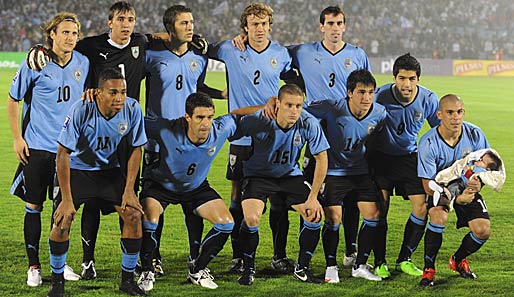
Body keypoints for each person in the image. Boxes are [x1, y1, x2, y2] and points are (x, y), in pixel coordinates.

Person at [207, 3, 295, 274]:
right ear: (245, 28)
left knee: (278, 197)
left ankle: (278, 256)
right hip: (243, 137)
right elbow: (198, 48)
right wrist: (215, 92)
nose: (260, 29)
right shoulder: (229, 49)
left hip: (274, 137)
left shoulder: (280, 54)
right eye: (254, 24)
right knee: (237, 196)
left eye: (264, 24)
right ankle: (238, 256)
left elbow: (295, 85)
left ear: (270, 26)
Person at [142, 5, 226, 278]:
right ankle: (154, 258)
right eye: (183, 23)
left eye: (191, 22)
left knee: (192, 199)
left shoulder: (198, 58)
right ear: (170, 29)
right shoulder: (151, 56)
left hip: (191, 139)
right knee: (157, 201)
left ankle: (194, 256)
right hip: (158, 140)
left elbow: (208, 89)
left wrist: (218, 83)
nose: (190, 27)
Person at [47, 68, 147, 296]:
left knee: (133, 215)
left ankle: (127, 280)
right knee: (63, 220)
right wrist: (66, 199)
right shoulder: (81, 109)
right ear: (98, 93)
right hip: (77, 171)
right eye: (113, 92)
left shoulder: (131, 109)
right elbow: (62, 154)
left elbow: (135, 148)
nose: (119, 97)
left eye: (123, 92)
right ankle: (57, 283)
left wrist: (130, 190)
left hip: (109, 171)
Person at [286, 6, 371, 274]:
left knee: (351, 191)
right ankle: (305, 256)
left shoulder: (357, 55)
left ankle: (350, 249)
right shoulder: (302, 52)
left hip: (347, 133)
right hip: (315, 132)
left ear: (345, 26)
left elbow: (367, 91)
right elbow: (271, 56)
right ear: (321, 26)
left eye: (340, 23)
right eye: (330, 23)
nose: (335, 28)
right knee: (311, 190)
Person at [7, 12, 89, 287]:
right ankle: (33, 266)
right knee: (34, 207)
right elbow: (13, 98)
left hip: (67, 151)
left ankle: (60, 263)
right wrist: (18, 138)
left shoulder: (83, 62)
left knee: (63, 210)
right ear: (52, 34)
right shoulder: (36, 63)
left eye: (74, 33)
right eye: (64, 32)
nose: (70, 38)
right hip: (38, 148)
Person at [233, 84, 329, 285]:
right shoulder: (260, 120)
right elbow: (235, 116)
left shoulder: (308, 123)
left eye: (298, 105)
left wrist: (312, 197)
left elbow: (322, 158)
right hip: (258, 177)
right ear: (278, 104)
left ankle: (302, 269)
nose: (294, 111)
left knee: (315, 215)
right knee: (251, 218)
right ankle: (248, 268)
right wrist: (262, 106)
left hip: (289, 176)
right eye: (289, 105)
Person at [138, 93, 236, 291]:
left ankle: (197, 270)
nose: (206, 123)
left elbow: (239, 116)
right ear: (187, 117)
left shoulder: (221, 129)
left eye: (209, 117)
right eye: (200, 117)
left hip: (195, 188)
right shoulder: (166, 128)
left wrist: (271, 105)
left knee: (227, 224)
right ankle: (147, 270)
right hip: (161, 186)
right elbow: (132, 119)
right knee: (149, 221)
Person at [306, 69, 385, 282]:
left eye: (370, 92)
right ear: (349, 92)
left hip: (360, 173)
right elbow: (300, 112)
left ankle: (359, 265)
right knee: (333, 218)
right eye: (361, 92)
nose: (366, 98)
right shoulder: (331, 108)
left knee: (373, 215)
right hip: (333, 172)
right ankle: (331, 267)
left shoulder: (380, 113)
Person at [367, 53, 439, 278]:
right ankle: (379, 262)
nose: (406, 84)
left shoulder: (428, 99)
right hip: (381, 157)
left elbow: (438, 131)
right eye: (401, 78)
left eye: (411, 78)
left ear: (418, 78)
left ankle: (405, 259)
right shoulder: (380, 96)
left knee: (421, 207)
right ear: (394, 77)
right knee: (380, 209)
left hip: (409, 157)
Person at [417, 94, 491, 286]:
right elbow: (427, 185)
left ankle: (458, 260)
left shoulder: (475, 134)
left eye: (459, 112)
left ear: (463, 113)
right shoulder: (428, 142)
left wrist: (478, 183)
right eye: (450, 112)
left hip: (466, 189)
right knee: (438, 217)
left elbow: (487, 166)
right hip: (440, 192)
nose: (455, 117)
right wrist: (456, 200)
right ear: (439, 114)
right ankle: (429, 269)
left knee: (483, 230)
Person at [431, 148, 505, 208]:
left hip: (463, 184)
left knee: (454, 187)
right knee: (450, 181)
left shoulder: (481, 171)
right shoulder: (476, 164)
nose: (479, 160)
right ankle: (441, 188)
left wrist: (467, 171)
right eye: (481, 158)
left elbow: (471, 177)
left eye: (482, 161)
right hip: (460, 179)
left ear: (487, 169)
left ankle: (445, 198)